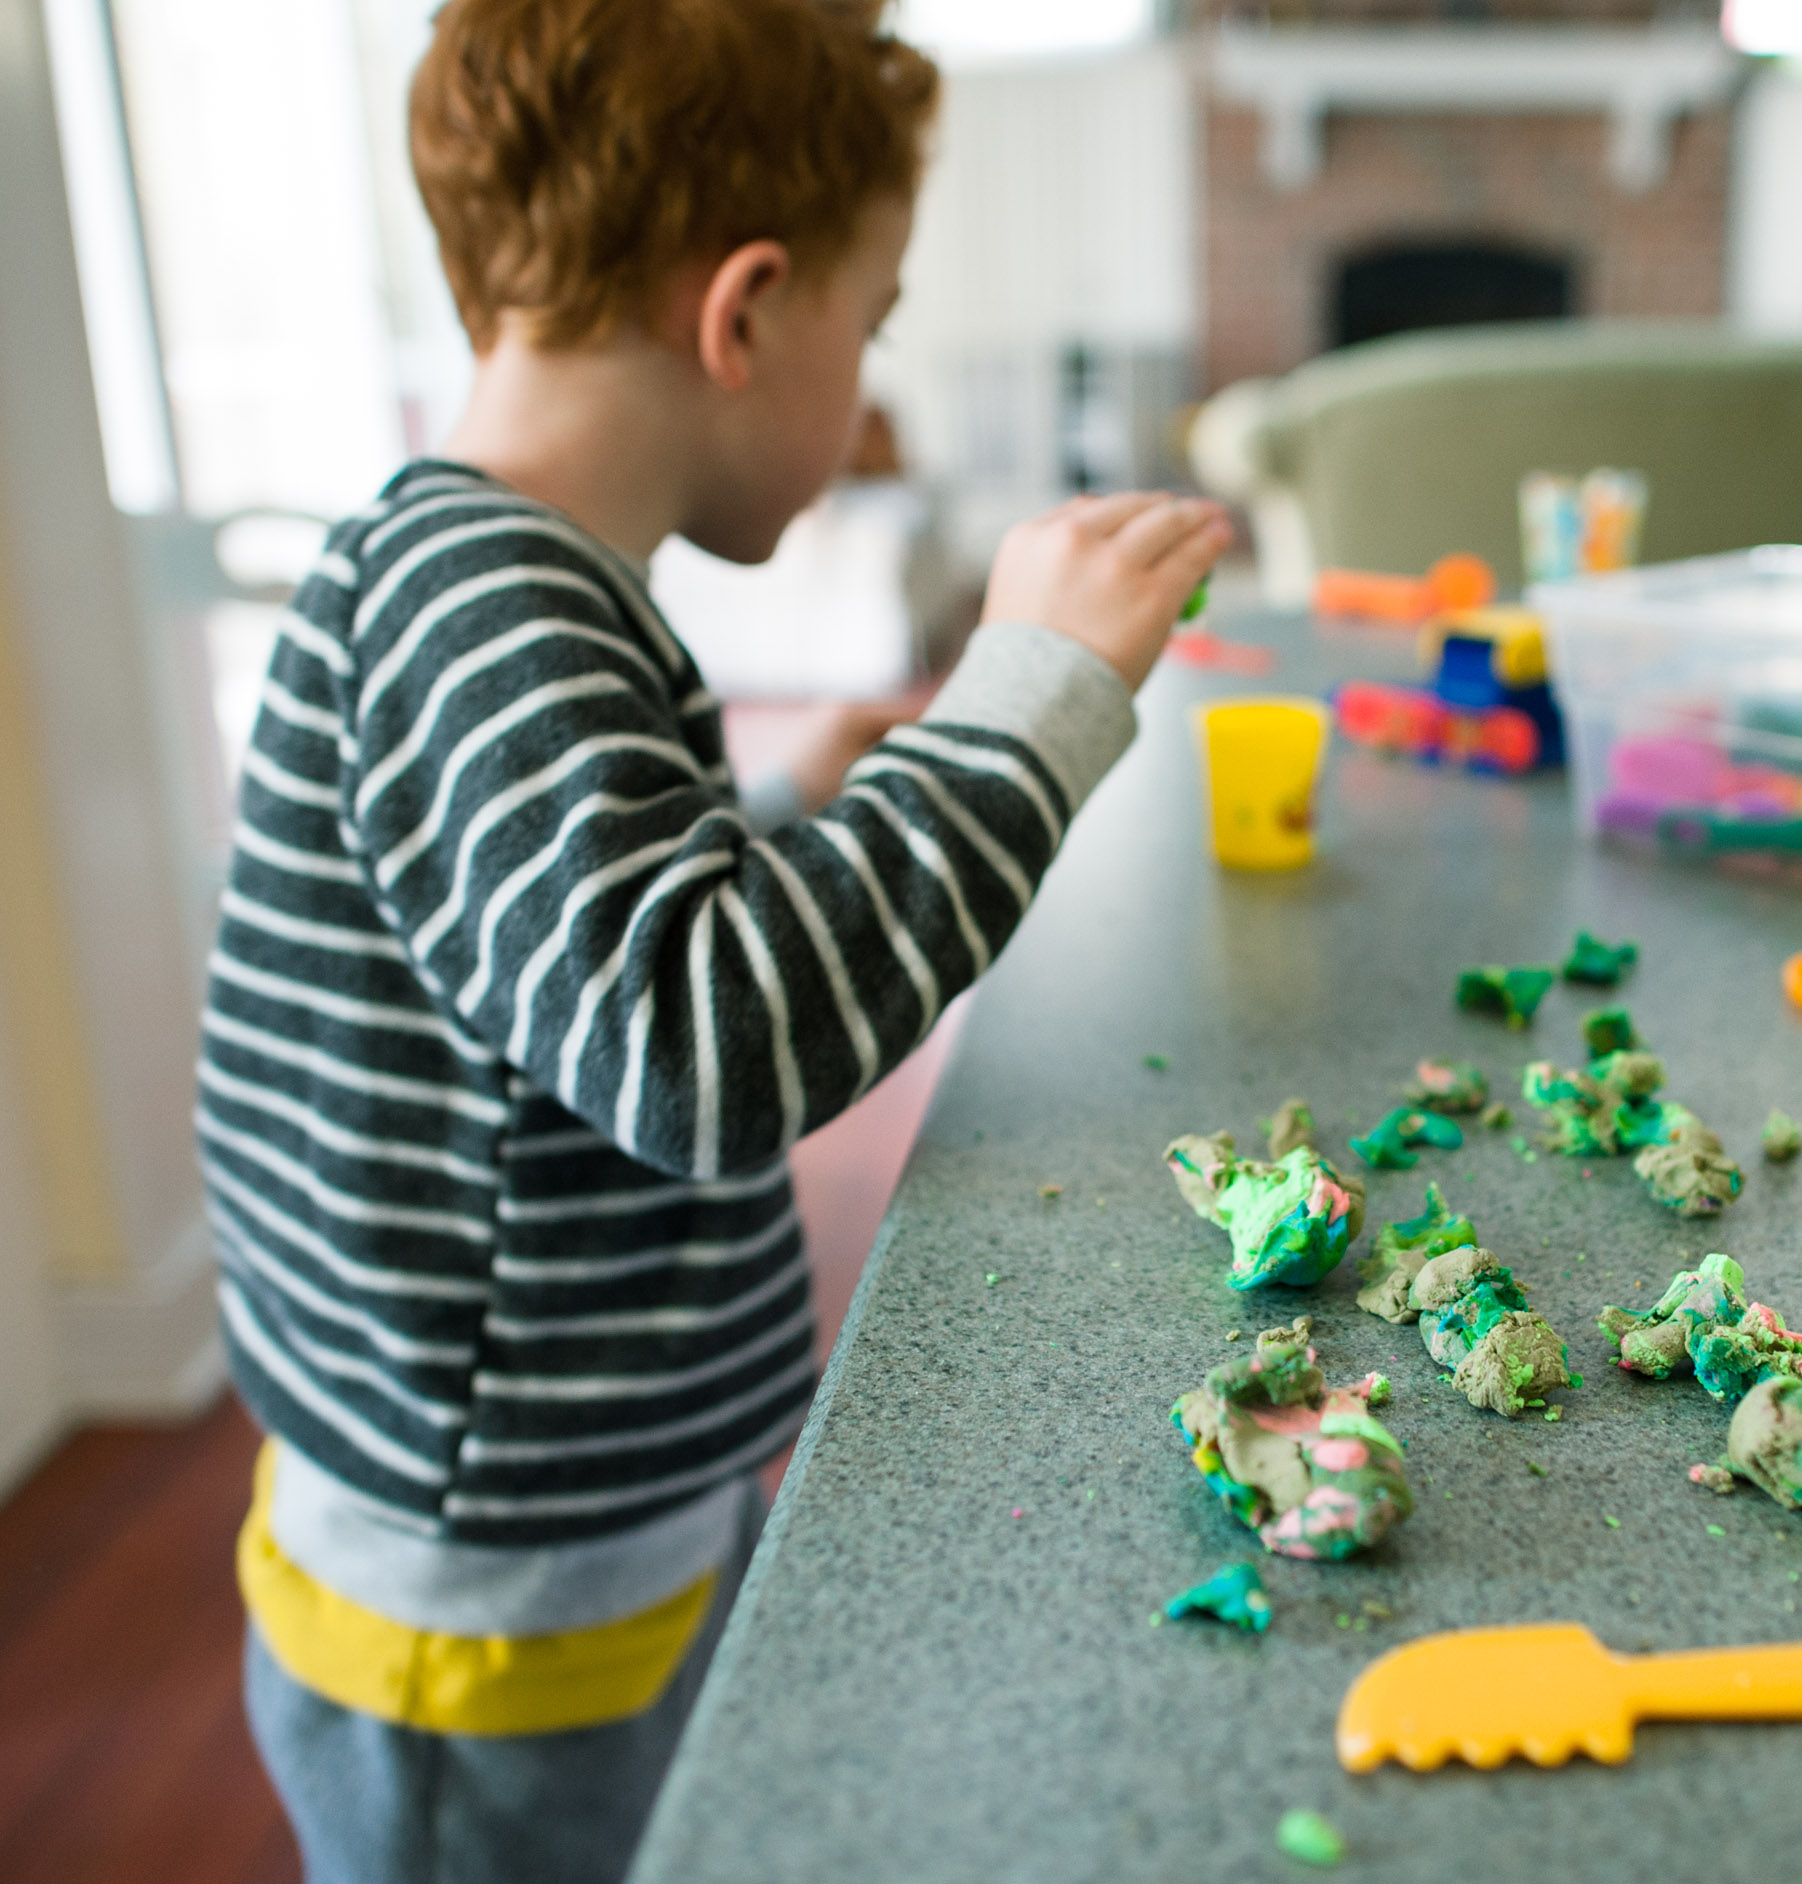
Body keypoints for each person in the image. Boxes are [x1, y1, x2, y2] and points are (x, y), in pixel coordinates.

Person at [198, 4, 1229, 1880]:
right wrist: (1033, 704)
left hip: (560, 1525)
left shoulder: (482, 569)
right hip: (490, 1619)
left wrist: (769, 823)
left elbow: (527, 964)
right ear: (746, 311)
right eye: (879, 314)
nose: (873, 370)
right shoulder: (489, 597)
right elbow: (694, 1048)